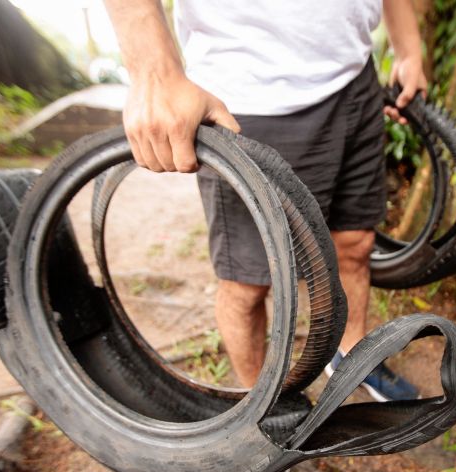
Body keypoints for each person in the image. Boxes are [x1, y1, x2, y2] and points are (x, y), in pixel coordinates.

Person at [103, 0, 426, 403]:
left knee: (355, 244)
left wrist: (409, 49)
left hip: (356, 82)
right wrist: (155, 72)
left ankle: (351, 355)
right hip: (252, 98)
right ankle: (260, 409)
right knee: (250, 281)